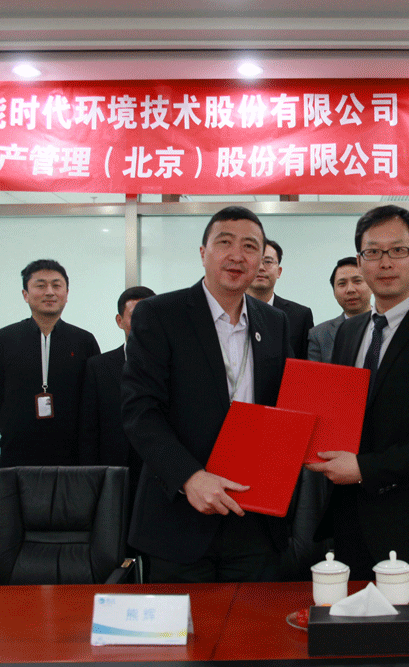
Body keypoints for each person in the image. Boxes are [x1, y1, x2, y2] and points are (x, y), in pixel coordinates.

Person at [121, 206, 292, 583]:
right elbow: (140, 412)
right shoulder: (159, 314)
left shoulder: (275, 322)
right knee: (184, 622)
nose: (237, 255)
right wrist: (189, 477)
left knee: (254, 620)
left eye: (250, 247)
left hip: (254, 519)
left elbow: (283, 408)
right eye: (225, 243)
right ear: (203, 253)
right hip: (180, 516)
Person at [307, 205, 409, 578]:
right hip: (351, 528)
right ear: (360, 260)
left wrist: (364, 469)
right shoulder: (348, 333)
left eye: (398, 250)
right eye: (373, 252)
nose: (385, 263)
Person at [0, 259, 100, 467]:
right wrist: (12, 427)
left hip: (73, 454)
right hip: (18, 451)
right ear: (25, 294)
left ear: (66, 294)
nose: (50, 292)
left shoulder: (84, 341)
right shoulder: (2, 340)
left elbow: (94, 398)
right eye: (41, 285)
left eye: (56, 285)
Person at [78, 285, 155, 511]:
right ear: (119, 321)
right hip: (113, 469)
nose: (142, 322)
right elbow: (88, 427)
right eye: (134, 316)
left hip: (158, 467)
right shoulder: (98, 366)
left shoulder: (172, 365)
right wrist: (90, 476)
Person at [247, 239, 315, 360]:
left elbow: (305, 365)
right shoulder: (229, 311)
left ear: (279, 272)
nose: (261, 267)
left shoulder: (301, 316)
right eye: (255, 261)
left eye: (268, 261)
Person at [307, 256, 372, 363]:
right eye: (342, 284)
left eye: (357, 281)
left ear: (372, 285)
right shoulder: (319, 334)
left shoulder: (390, 324)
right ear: (334, 293)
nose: (350, 290)